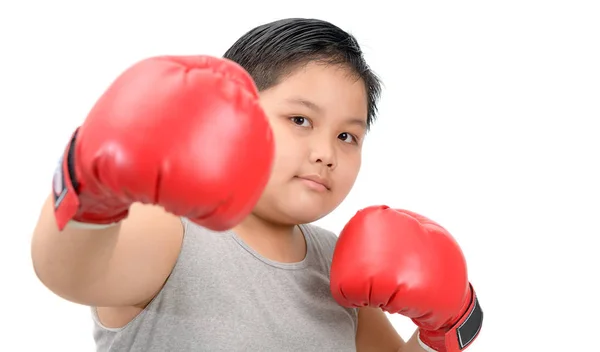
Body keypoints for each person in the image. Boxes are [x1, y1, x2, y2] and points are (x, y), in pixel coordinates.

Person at [31, 18, 482, 352]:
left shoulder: (340, 264)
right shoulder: (174, 229)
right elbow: (69, 273)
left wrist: (446, 330)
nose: (326, 152)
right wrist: (88, 185)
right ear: (237, 115)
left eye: (348, 136)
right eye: (300, 120)